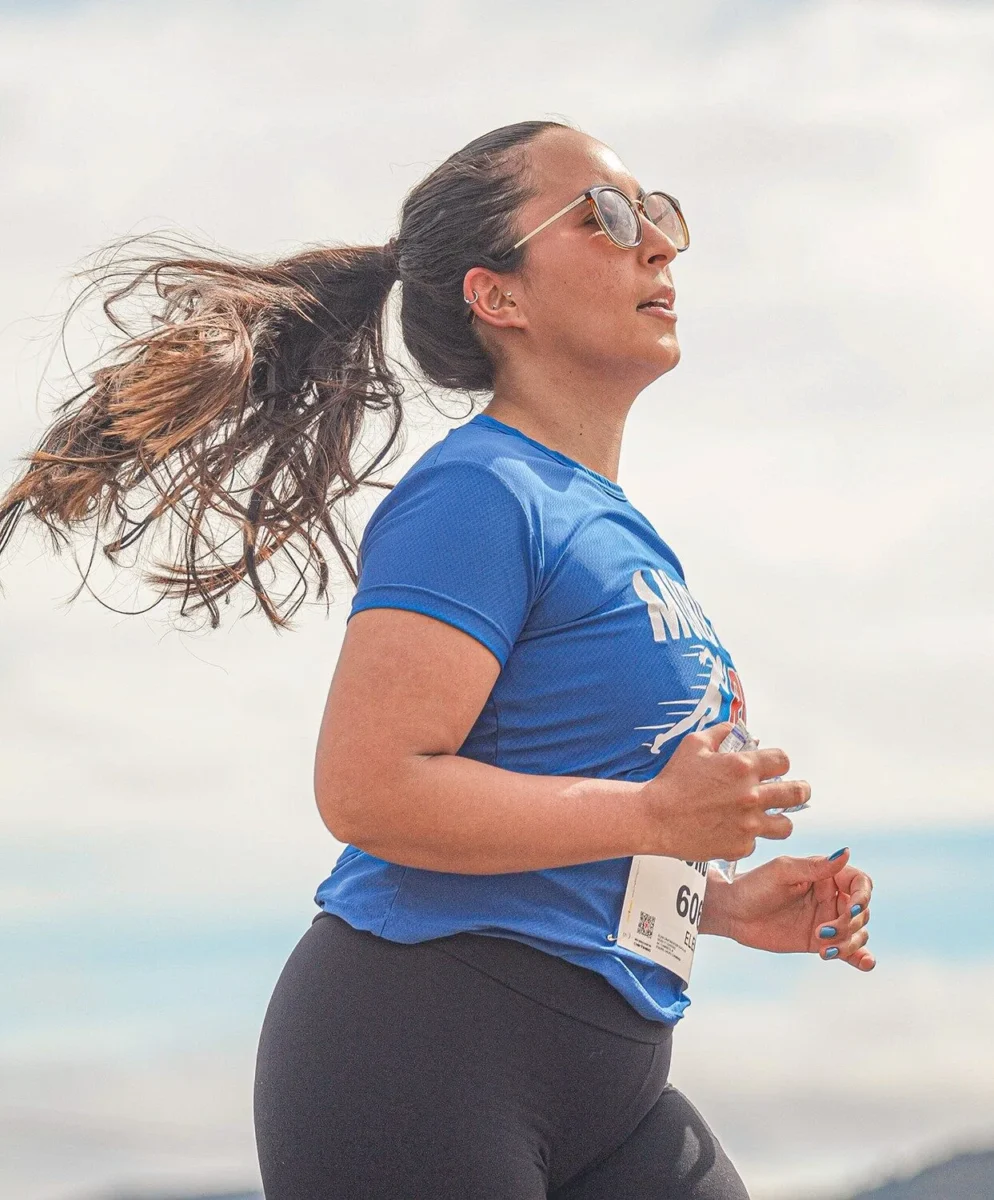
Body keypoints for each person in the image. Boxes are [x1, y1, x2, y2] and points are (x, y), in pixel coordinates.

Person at [0, 120, 875, 1199]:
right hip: (421, 1055)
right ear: (496, 297)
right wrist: (655, 819)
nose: (657, 244)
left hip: (613, 1078)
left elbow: (563, 787)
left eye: (658, 212)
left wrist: (717, 898)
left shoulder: (612, 524)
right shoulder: (478, 493)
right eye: (605, 215)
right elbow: (370, 787)